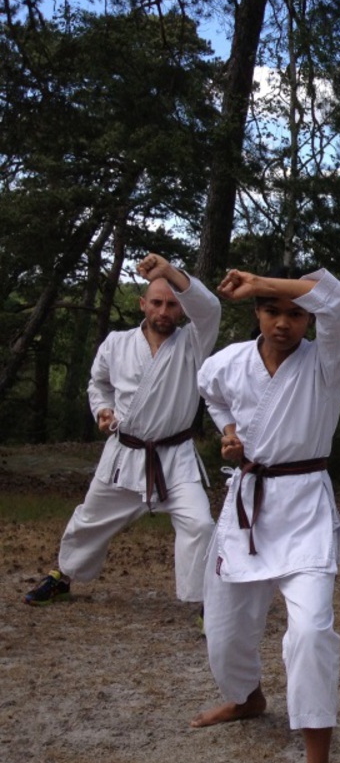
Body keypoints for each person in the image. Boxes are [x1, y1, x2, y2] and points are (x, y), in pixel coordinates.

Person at [190, 266, 340, 763]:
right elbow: (211, 393)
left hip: (305, 507)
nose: (283, 323)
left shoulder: (326, 360)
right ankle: (247, 698)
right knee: (224, 631)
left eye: (295, 314)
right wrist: (229, 433)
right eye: (271, 311)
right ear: (257, 314)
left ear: (310, 319)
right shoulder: (229, 362)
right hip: (247, 505)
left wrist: (266, 281)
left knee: (310, 633)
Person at [23, 253, 219, 611]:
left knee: (201, 525)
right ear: (142, 304)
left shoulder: (194, 342)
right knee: (90, 519)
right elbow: (98, 383)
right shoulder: (117, 343)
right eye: (156, 303)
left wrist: (169, 272)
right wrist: (103, 409)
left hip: (175, 459)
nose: (163, 311)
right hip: (124, 454)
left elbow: (209, 308)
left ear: (182, 308)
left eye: (172, 305)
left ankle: (205, 603)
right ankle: (62, 577)